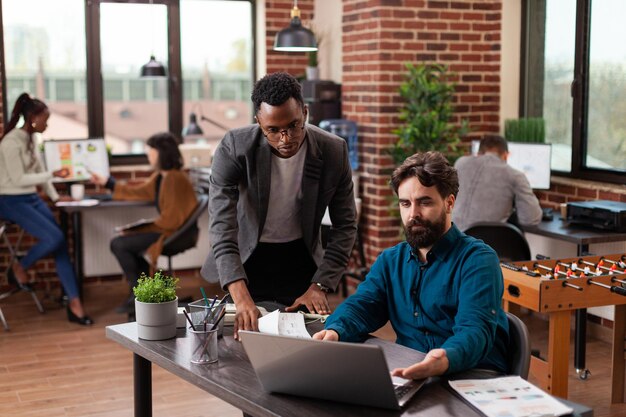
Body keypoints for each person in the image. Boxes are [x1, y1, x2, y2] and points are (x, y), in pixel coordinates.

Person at [314, 151, 509, 380]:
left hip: (471, 376)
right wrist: (335, 331)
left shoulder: (478, 260)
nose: (413, 214)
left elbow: (475, 330)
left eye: (424, 202)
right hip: (411, 371)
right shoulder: (391, 260)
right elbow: (362, 306)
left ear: (449, 203)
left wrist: (444, 358)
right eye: (405, 204)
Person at [201, 72, 357, 339]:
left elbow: (346, 225)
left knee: (299, 347)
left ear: (305, 113)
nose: (285, 139)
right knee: (239, 347)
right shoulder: (235, 147)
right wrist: (239, 296)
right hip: (246, 260)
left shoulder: (333, 151)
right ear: (259, 123)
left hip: (300, 259)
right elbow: (222, 228)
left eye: (293, 126)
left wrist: (321, 283)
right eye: (273, 130)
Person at [0, 93, 93, 325]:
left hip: (30, 197)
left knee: (60, 243)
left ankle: (75, 304)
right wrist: (52, 174)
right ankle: (19, 267)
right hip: (10, 200)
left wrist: (55, 197)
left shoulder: (31, 140)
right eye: (45, 119)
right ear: (32, 118)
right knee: (55, 237)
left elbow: (39, 170)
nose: (47, 123)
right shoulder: (10, 143)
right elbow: (19, 178)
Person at [90, 132, 198, 313]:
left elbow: (171, 221)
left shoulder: (173, 179)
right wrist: (108, 182)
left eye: (151, 151)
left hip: (176, 234)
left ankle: (138, 295)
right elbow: (138, 192)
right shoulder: (161, 177)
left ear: (161, 153)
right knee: (121, 243)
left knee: (120, 244)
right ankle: (147, 291)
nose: (148, 154)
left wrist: (135, 231)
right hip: (169, 230)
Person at [452, 135, 542, 231]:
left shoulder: (460, 163)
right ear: (506, 155)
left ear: (478, 153)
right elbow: (531, 220)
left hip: (450, 239)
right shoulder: (515, 175)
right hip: (485, 243)